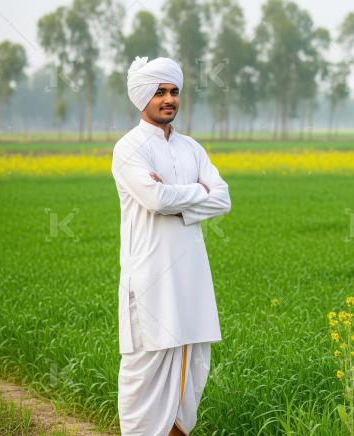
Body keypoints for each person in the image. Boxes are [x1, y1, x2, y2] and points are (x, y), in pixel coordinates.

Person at [112, 56, 231, 436]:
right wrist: (198, 193)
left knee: (193, 369)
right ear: (143, 96)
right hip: (150, 281)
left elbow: (223, 199)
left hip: (192, 280)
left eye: (174, 91)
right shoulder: (129, 148)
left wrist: (178, 196)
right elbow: (155, 201)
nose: (169, 99)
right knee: (143, 376)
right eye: (160, 91)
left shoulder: (192, 149)